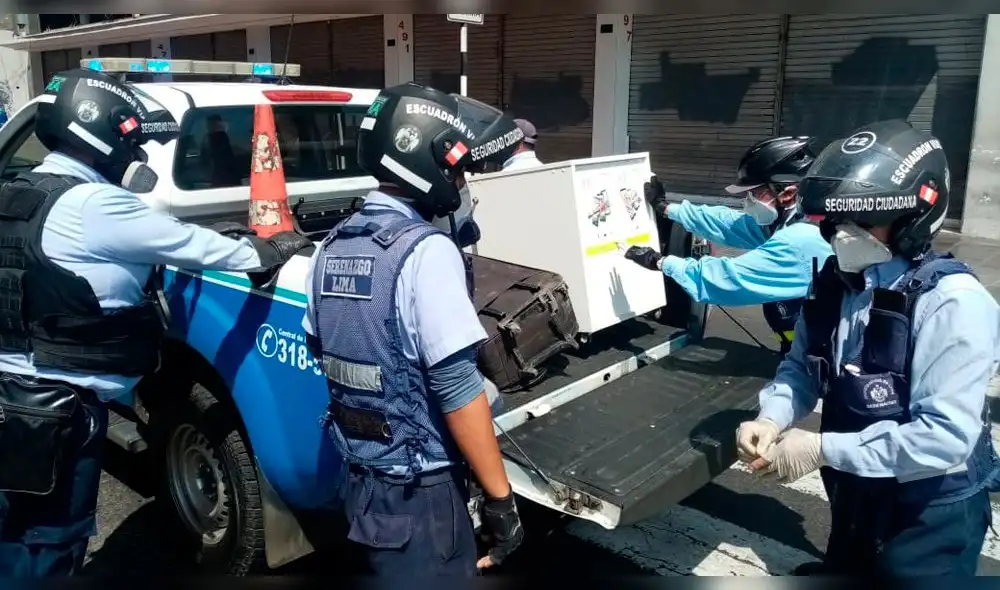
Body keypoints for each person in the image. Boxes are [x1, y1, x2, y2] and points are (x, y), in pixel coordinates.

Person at [0, 68, 311, 577]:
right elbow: (193, 245)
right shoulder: (96, 204)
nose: (135, 154)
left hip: (15, 396)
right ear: (99, 134)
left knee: (16, 530)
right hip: (56, 411)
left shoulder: (20, 191)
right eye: (130, 140)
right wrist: (264, 248)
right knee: (46, 545)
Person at [737, 120, 1000, 576]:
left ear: (913, 216)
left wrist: (821, 449)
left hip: (927, 506)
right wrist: (771, 416)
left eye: (864, 222)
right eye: (835, 222)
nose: (843, 235)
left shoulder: (953, 304)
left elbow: (944, 437)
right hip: (856, 488)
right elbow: (802, 366)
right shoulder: (838, 282)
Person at [302, 82, 526, 577]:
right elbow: (456, 386)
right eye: (459, 169)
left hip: (361, 480)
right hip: (419, 493)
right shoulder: (424, 252)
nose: (462, 181)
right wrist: (500, 500)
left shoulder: (329, 247)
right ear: (426, 161)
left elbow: (322, 345)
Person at [623, 136, 834, 354]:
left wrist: (660, 262)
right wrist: (665, 208)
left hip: (816, 354)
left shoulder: (802, 240)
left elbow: (729, 278)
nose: (748, 200)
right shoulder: (795, 219)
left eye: (755, 193)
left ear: (787, 193)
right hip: (801, 345)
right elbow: (730, 224)